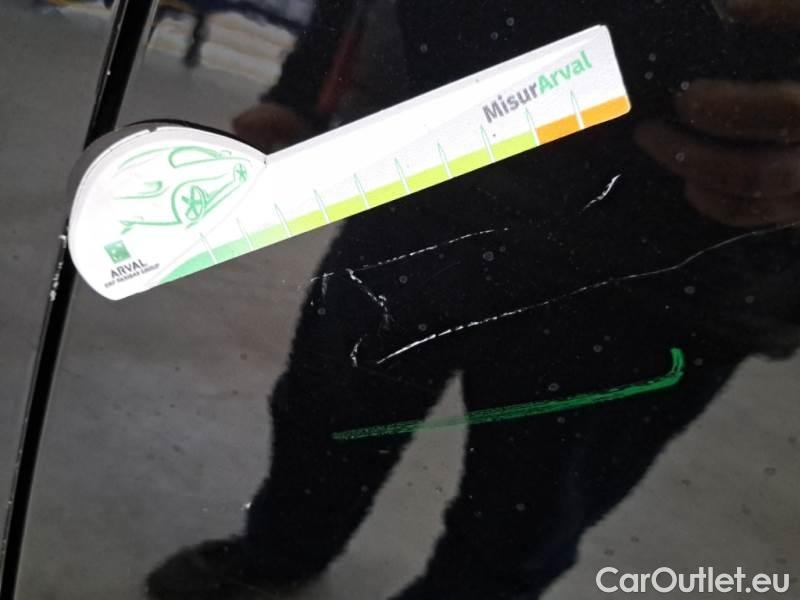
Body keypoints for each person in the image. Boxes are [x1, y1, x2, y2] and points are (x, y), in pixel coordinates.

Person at [147, 1, 800, 598]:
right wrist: (304, 92)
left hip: (668, 259)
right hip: (428, 177)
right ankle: (280, 551)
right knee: (327, 413)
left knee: (529, 506)